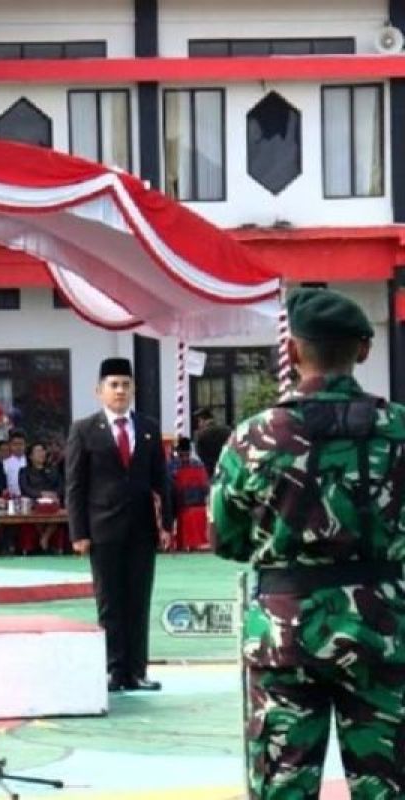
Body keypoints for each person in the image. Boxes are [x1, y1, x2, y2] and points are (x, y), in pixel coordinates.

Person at [210, 288, 405, 798]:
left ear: (293, 351)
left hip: (285, 634)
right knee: (389, 785)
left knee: (282, 787)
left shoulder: (256, 437)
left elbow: (225, 537)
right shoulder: (400, 430)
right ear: (363, 350)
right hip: (381, 632)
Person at [65, 357, 173, 693]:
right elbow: (75, 485)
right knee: (110, 601)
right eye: (113, 385)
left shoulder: (149, 427)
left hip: (142, 528)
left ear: (134, 389)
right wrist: (78, 532)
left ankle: (137, 671)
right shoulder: (83, 430)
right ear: (99, 391)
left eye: (126, 385)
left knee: (139, 600)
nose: (120, 391)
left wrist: (166, 524)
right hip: (102, 529)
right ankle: (114, 670)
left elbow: (162, 480)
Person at [19, 442, 67, 554]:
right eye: (38, 451)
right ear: (30, 456)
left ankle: (44, 538)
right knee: (36, 511)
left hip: (53, 502)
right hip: (34, 501)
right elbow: (25, 488)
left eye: (43, 451)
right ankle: (44, 540)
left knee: (57, 511)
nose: (42, 454)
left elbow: (61, 486)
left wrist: (54, 494)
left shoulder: (53, 469)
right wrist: (41, 494)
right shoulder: (24, 471)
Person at [168, 437, 210, 551]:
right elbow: (206, 487)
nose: (184, 457)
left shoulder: (173, 466)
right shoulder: (199, 465)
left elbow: (170, 488)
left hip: (183, 506)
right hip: (196, 504)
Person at [0, 430, 27, 498]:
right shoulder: (4, 463)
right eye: (15, 444)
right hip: (11, 499)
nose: (18, 447)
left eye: (21, 444)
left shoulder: (30, 461)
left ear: (25, 445)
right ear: (10, 445)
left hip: (29, 498)